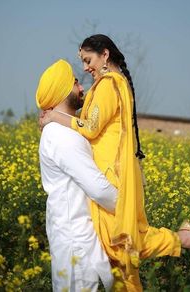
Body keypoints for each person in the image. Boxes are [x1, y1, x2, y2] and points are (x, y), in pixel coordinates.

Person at [39, 35, 190, 291]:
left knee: (122, 244)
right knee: (122, 248)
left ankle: (185, 238)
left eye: (88, 60)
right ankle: (184, 237)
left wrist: (54, 115)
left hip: (108, 179)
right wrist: (54, 118)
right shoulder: (102, 88)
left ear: (105, 55)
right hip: (97, 194)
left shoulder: (109, 85)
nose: (85, 68)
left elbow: (90, 128)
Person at [36, 59, 118, 291]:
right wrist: (129, 209)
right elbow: (99, 189)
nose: (82, 88)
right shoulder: (62, 136)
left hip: (78, 242)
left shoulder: (66, 130)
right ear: (61, 91)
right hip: (79, 247)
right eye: (74, 83)